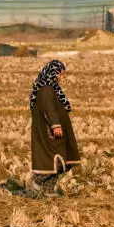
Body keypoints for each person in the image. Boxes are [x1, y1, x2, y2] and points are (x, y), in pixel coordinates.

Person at [29, 59, 80, 193]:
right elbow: (49, 109)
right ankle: (36, 181)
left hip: (55, 133)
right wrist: (55, 125)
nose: (61, 78)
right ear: (52, 72)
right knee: (55, 161)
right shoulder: (46, 89)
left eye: (63, 75)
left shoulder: (52, 88)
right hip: (49, 133)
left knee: (61, 160)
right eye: (60, 74)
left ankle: (48, 191)